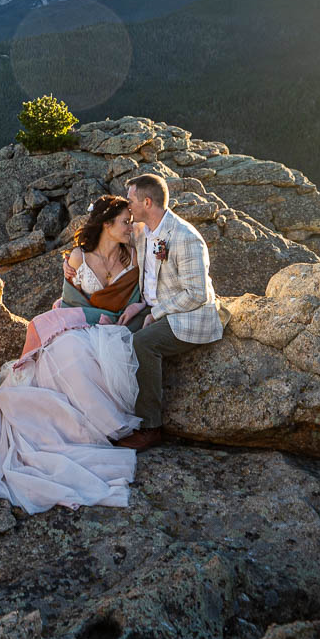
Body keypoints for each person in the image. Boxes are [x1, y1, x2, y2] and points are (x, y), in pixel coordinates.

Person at [0, 195, 150, 514]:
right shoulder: (79, 257)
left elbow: (144, 293)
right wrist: (92, 317)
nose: (130, 226)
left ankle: (98, 425)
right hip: (84, 321)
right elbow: (71, 304)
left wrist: (138, 306)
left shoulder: (134, 256)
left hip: (118, 328)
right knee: (67, 350)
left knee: (89, 354)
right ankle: (68, 428)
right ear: (107, 225)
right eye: (124, 221)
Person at [113, 173, 223, 450]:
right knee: (113, 337)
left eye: (131, 201)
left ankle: (151, 428)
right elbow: (106, 234)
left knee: (142, 343)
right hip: (156, 306)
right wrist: (73, 263)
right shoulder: (143, 232)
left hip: (191, 315)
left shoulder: (185, 237)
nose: (128, 207)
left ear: (147, 202)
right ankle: (117, 413)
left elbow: (197, 294)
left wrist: (157, 312)